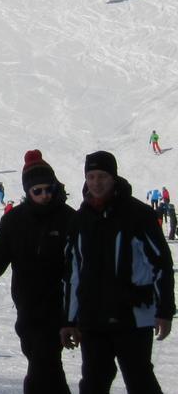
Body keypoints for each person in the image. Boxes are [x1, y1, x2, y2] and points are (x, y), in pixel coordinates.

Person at [0, 150, 76, 394]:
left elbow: (80, 269)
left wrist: (73, 316)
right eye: (37, 191)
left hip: (58, 308)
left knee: (44, 365)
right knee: (44, 366)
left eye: (48, 190)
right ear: (28, 191)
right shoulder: (15, 221)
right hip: (28, 308)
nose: (44, 196)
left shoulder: (68, 219)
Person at [61, 150, 174, 393]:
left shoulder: (138, 215)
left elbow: (161, 264)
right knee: (93, 382)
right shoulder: (80, 220)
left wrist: (165, 310)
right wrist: (69, 320)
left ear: (113, 177)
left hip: (133, 316)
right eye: (91, 176)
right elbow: (73, 273)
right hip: (93, 318)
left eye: (102, 176)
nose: (96, 183)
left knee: (140, 379)